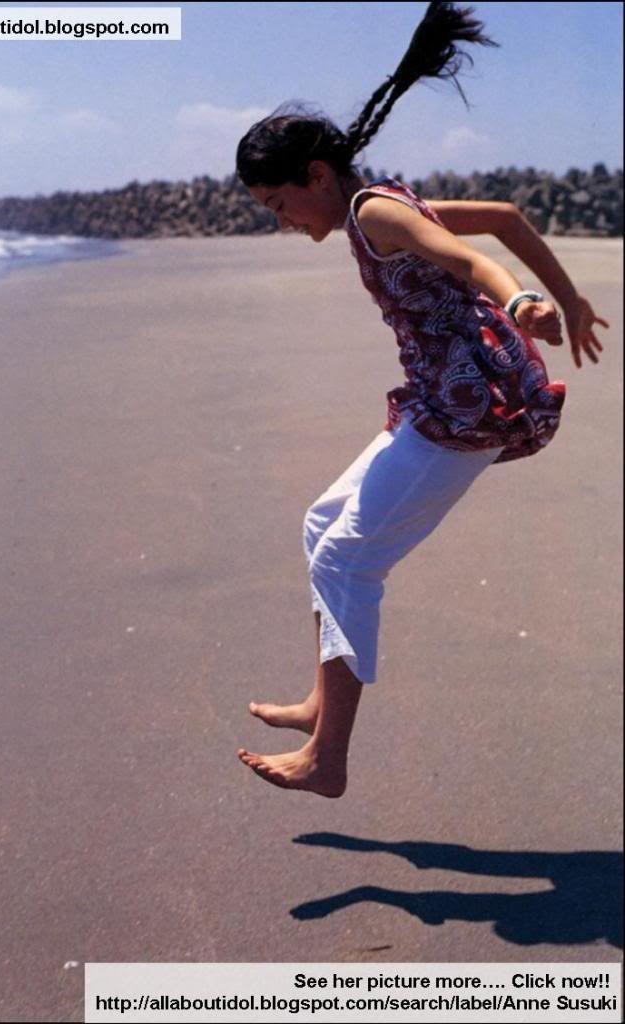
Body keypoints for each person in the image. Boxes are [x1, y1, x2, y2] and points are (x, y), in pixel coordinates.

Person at [234, 1, 608, 797]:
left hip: (465, 410)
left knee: (347, 560)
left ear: (316, 176)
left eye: (279, 203)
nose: (283, 220)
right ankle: (321, 702)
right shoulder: (380, 204)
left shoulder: (373, 212)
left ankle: (327, 757)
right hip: (440, 400)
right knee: (320, 525)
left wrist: (522, 301)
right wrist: (571, 298)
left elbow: (470, 260)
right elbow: (504, 217)